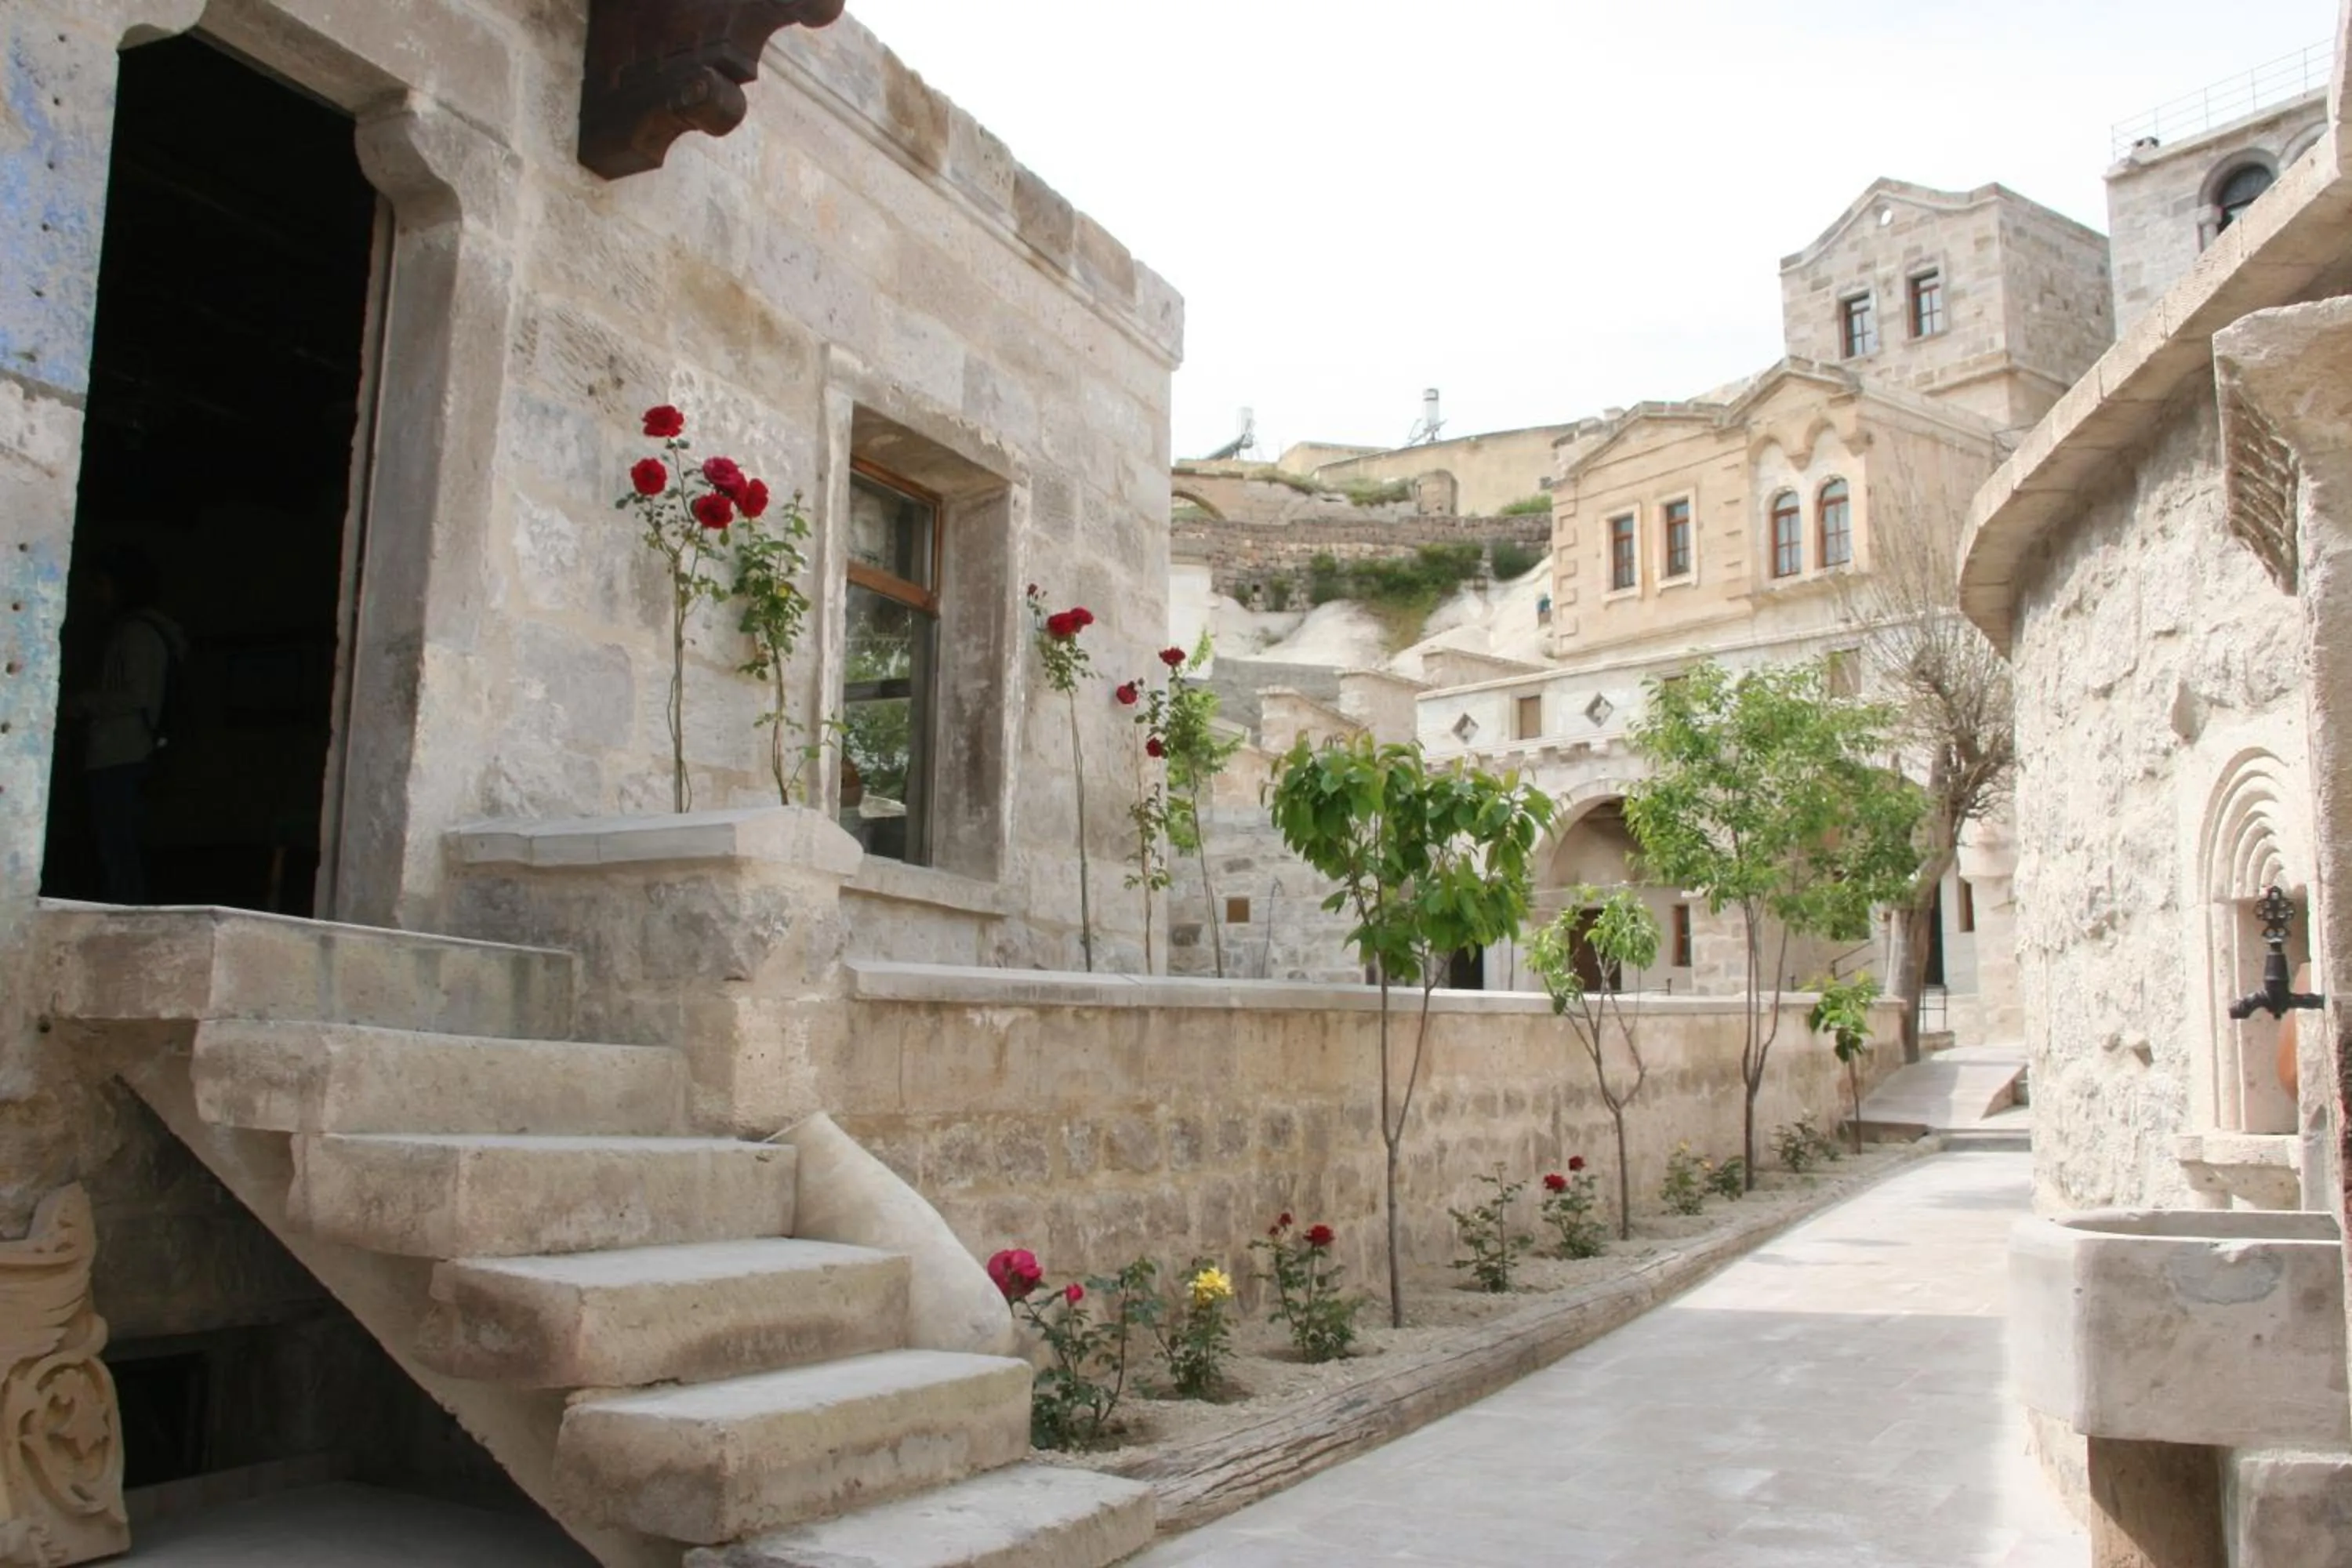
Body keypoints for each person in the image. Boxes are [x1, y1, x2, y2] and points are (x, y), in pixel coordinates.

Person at [63, 544, 186, 904]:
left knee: (118, 849)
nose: (96, 595)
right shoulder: (146, 632)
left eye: (101, 584)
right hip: (125, 752)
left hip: (122, 753)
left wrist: (84, 703)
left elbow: (138, 694)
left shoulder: (138, 634)